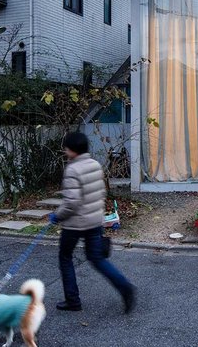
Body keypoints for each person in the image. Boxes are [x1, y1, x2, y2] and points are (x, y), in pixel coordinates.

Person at [48, 131, 136, 313]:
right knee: (97, 259)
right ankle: (124, 286)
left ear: (72, 150)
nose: (65, 151)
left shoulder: (72, 169)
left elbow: (71, 203)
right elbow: (100, 193)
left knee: (65, 258)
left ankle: (73, 300)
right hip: (95, 221)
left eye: (66, 147)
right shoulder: (95, 165)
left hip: (74, 224)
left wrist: (57, 216)